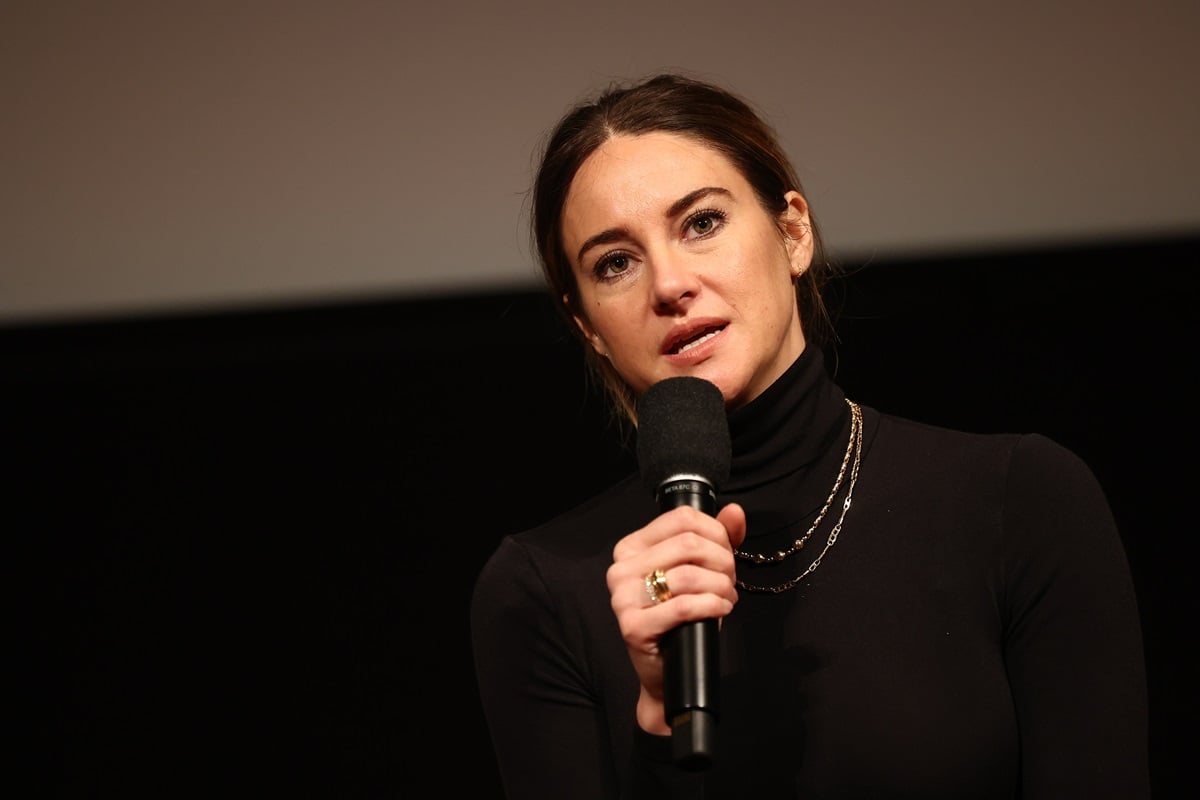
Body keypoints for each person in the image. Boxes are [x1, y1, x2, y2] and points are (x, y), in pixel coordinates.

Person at [469, 72, 1150, 799]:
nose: (668, 284)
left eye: (701, 223)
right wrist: (660, 716)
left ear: (792, 232)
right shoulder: (541, 589)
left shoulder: (1017, 502)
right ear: (588, 329)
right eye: (616, 263)